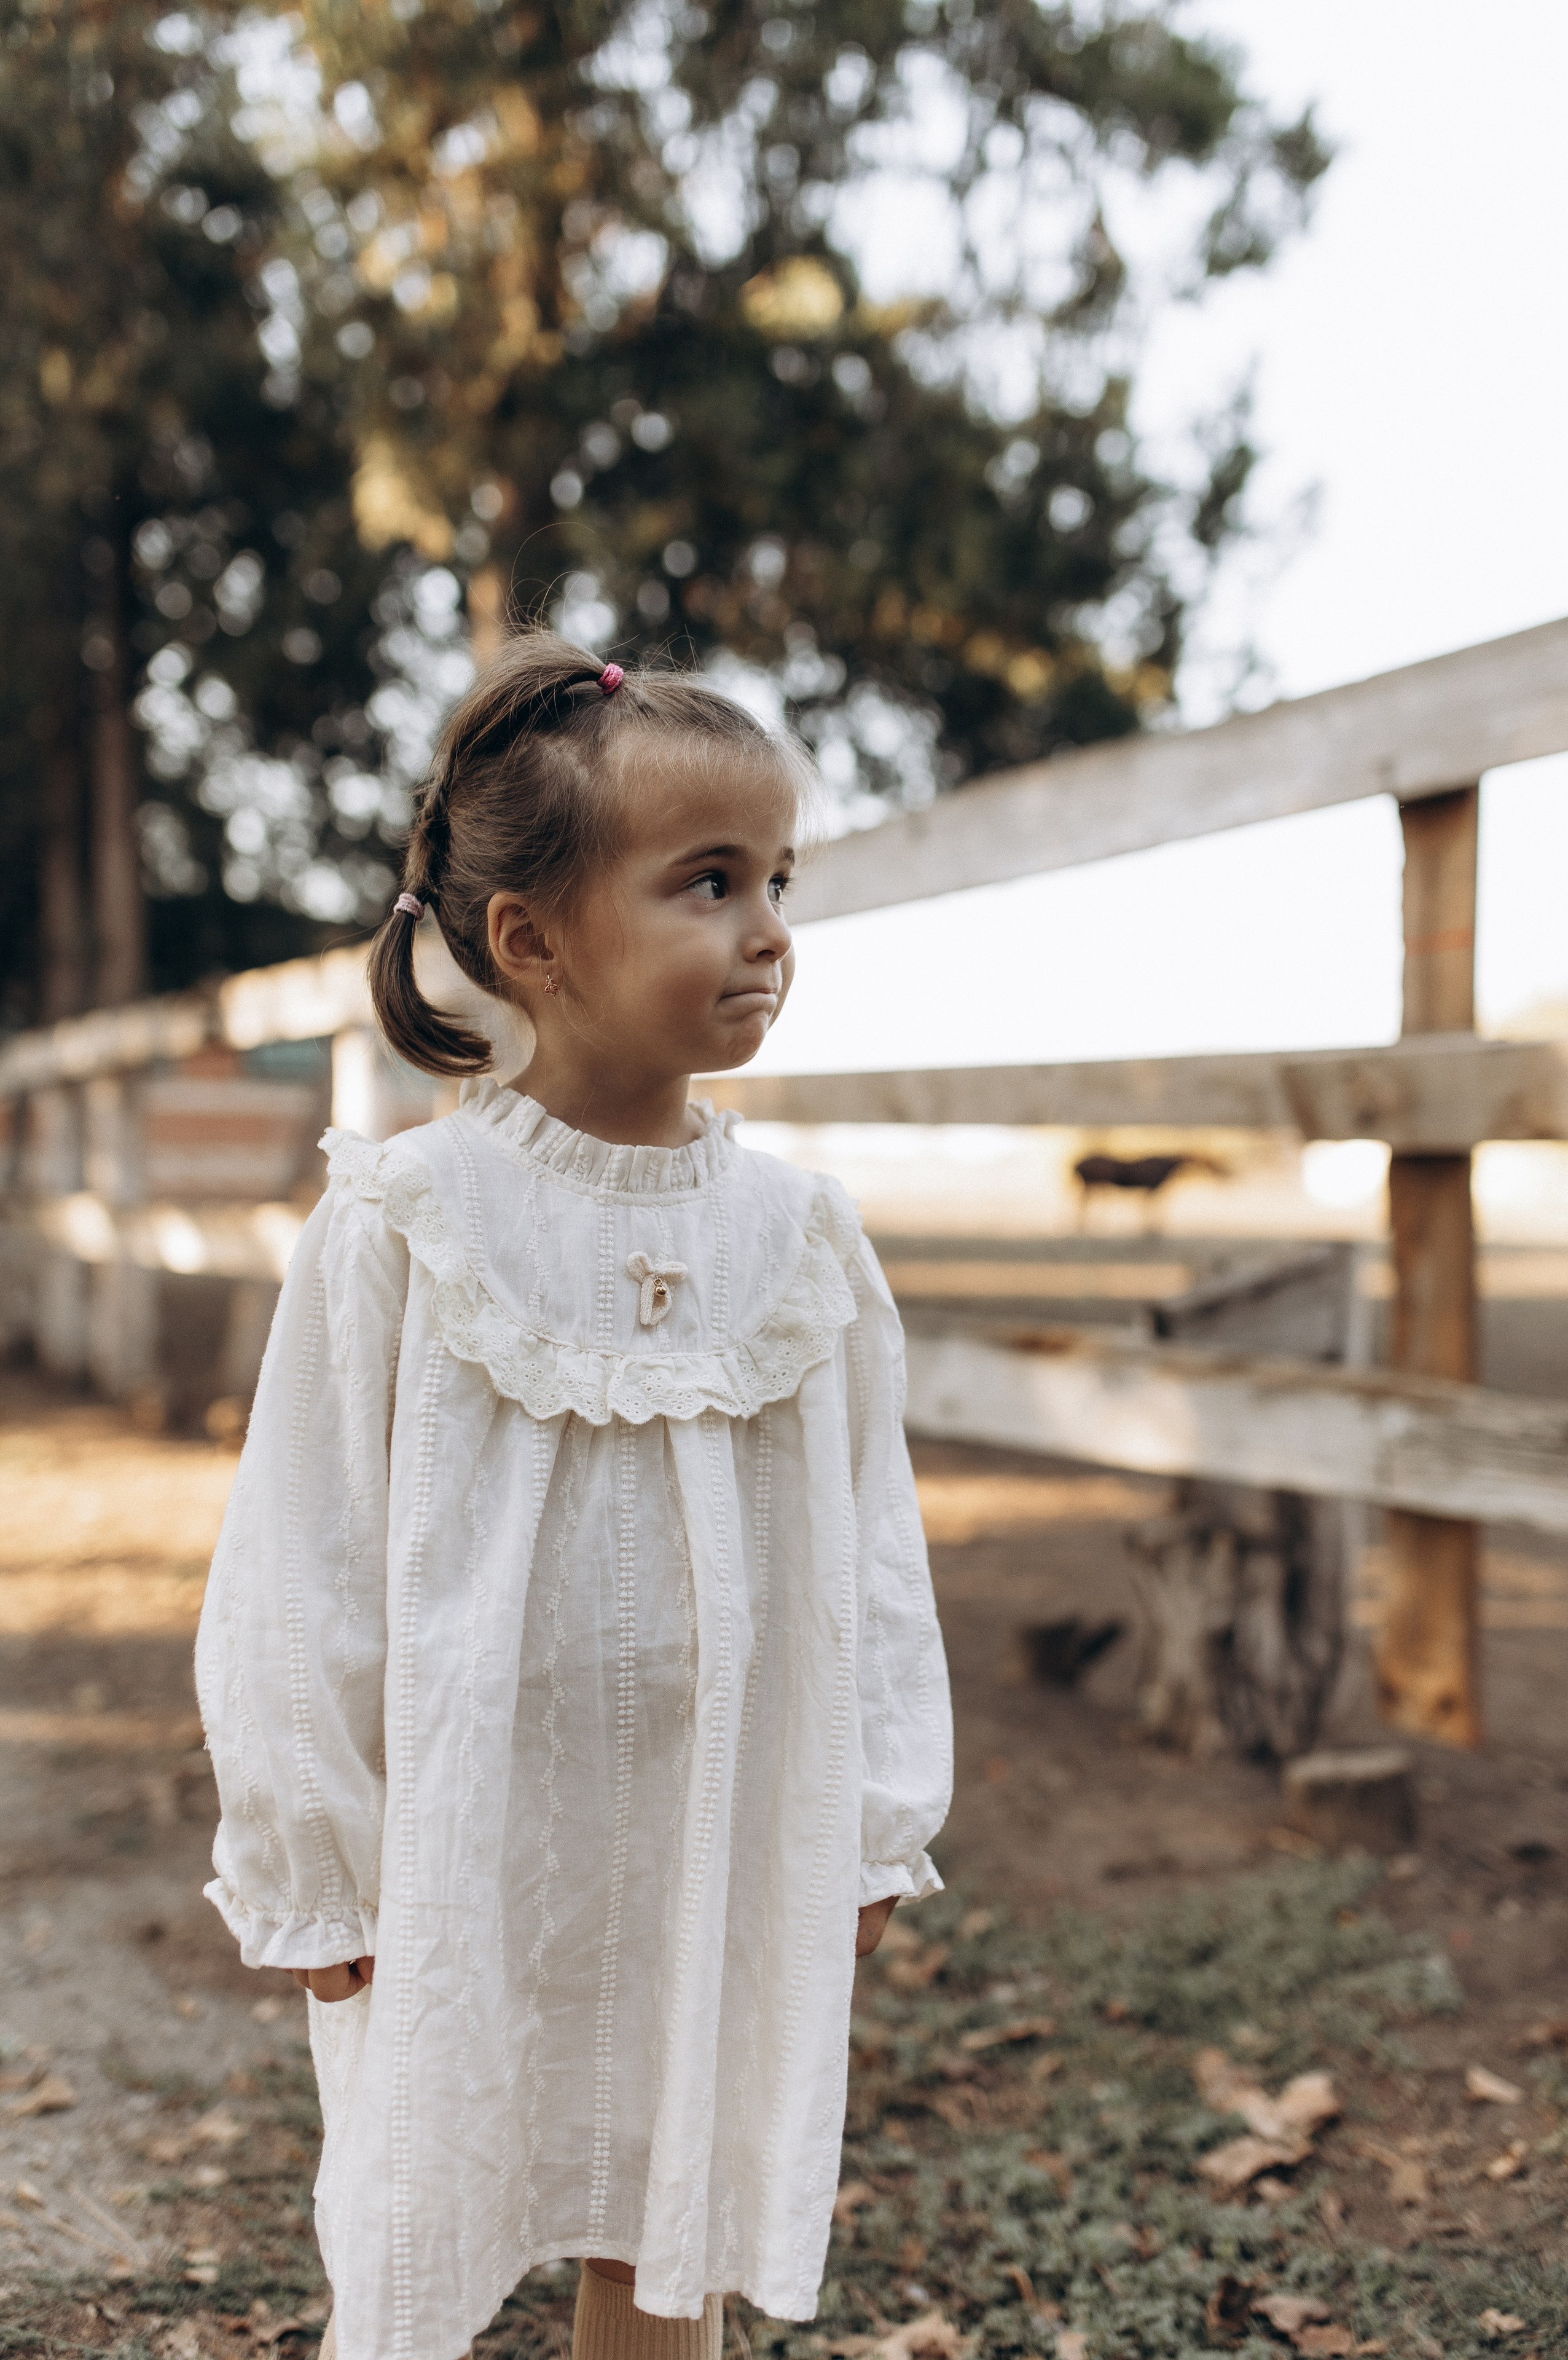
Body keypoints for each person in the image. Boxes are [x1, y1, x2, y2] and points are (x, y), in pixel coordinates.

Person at [195, 630, 952, 2360]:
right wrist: (315, 1851)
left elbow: (871, 1544)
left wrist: (871, 1809)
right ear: (532, 939)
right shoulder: (408, 1223)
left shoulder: (799, 1241)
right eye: (709, 883)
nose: (769, 931)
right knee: (436, 2176)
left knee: (673, 2181)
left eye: (778, 882)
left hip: (716, 1809)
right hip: (470, 1829)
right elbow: (300, 1555)